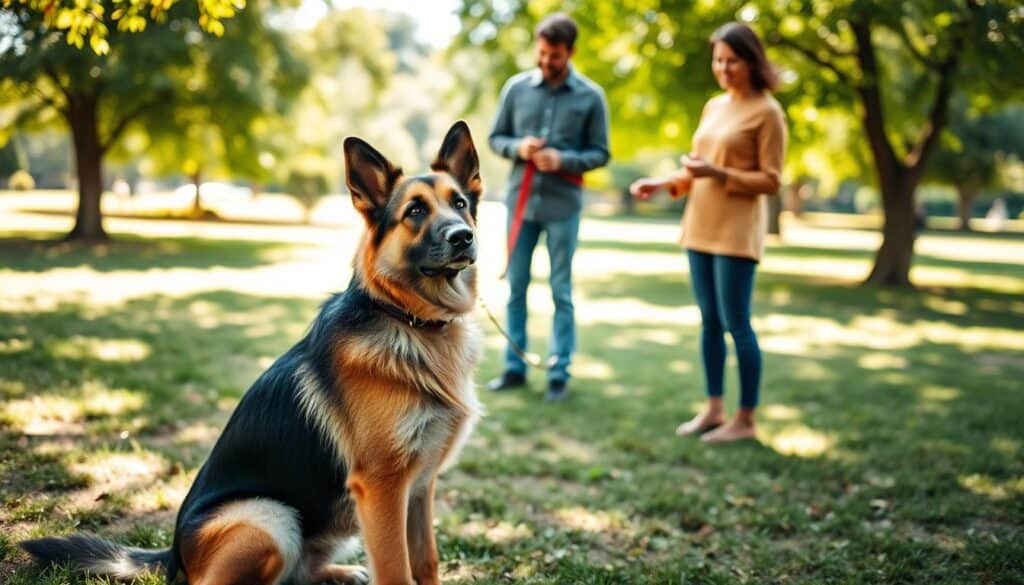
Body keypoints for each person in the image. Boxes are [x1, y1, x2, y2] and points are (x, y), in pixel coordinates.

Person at [630, 22, 786, 442]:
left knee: (738, 323)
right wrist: (664, 184)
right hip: (699, 225)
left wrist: (716, 172)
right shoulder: (714, 106)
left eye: (732, 60)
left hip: (736, 232)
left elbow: (771, 180)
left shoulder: (768, 112)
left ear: (752, 61)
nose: (723, 68)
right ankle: (715, 409)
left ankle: (746, 420)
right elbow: (695, 169)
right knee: (709, 322)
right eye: (718, 60)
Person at [487, 13, 610, 402]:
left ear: (570, 52)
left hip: (563, 207)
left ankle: (559, 373)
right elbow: (495, 138)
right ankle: (514, 367)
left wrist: (564, 160)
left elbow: (601, 153)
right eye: (541, 53)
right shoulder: (516, 88)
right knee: (516, 287)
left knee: (561, 292)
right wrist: (518, 148)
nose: (545, 60)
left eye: (554, 55)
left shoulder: (591, 96)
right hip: (520, 206)